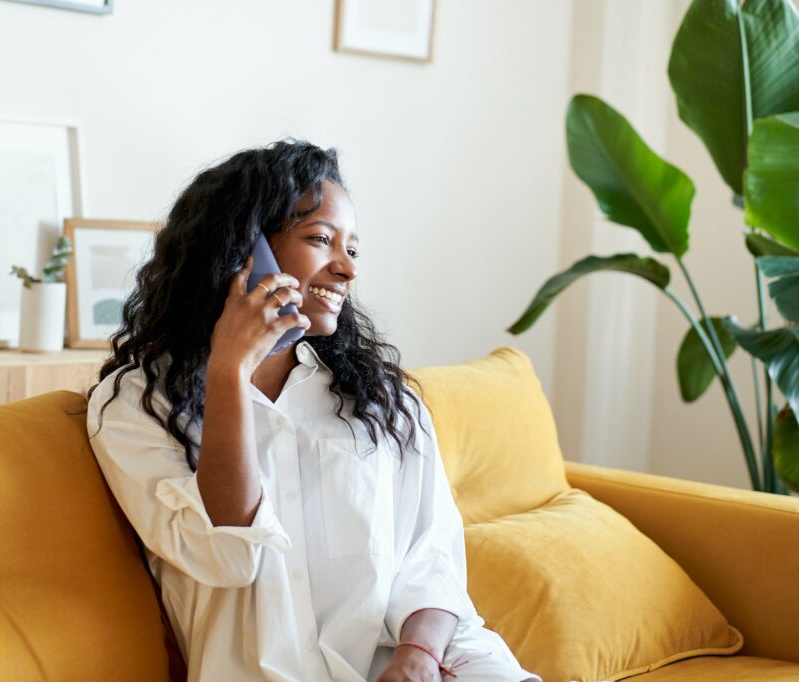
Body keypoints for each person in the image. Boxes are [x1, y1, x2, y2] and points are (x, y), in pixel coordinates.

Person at [86, 140, 539, 682]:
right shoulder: (137, 406)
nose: (347, 270)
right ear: (244, 252)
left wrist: (417, 656)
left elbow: (432, 553)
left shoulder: (382, 400)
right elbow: (227, 556)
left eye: (353, 248)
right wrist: (230, 369)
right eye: (322, 240)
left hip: (424, 660)